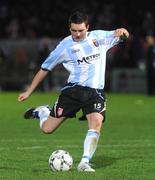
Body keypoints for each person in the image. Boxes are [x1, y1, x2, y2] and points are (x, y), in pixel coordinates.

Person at [18, 11, 129, 172]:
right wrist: (29, 91)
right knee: (47, 129)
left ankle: (84, 162)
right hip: (73, 91)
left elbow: (123, 33)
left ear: (87, 27)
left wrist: (122, 31)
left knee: (96, 123)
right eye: (73, 30)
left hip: (95, 92)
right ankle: (42, 112)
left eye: (81, 30)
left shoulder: (99, 37)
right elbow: (44, 68)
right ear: (69, 28)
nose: (77, 34)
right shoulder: (64, 46)